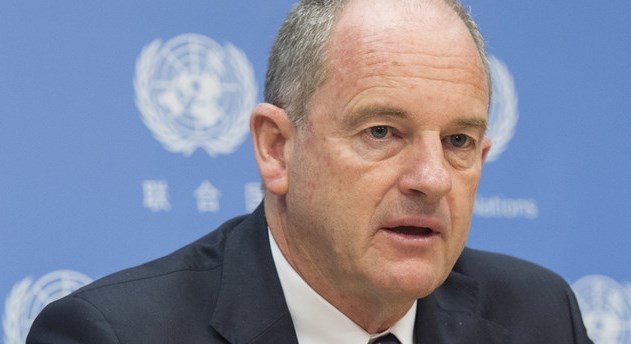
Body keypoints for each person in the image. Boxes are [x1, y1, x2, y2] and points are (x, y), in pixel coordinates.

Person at [28, 0, 592, 343]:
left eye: (458, 141)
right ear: (276, 148)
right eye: (381, 132)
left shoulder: (539, 316)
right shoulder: (114, 335)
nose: (432, 178)